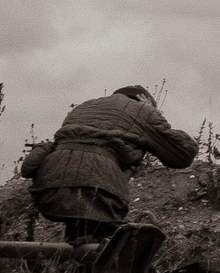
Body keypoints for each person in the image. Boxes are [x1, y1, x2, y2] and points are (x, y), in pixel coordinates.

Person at [21, 86, 198, 246]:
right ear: (144, 100)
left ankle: (73, 270)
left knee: (81, 221)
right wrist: (153, 112)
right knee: (107, 231)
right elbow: (182, 155)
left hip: (49, 187)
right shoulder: (143, 111)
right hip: (98, 187)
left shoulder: (83, 107)